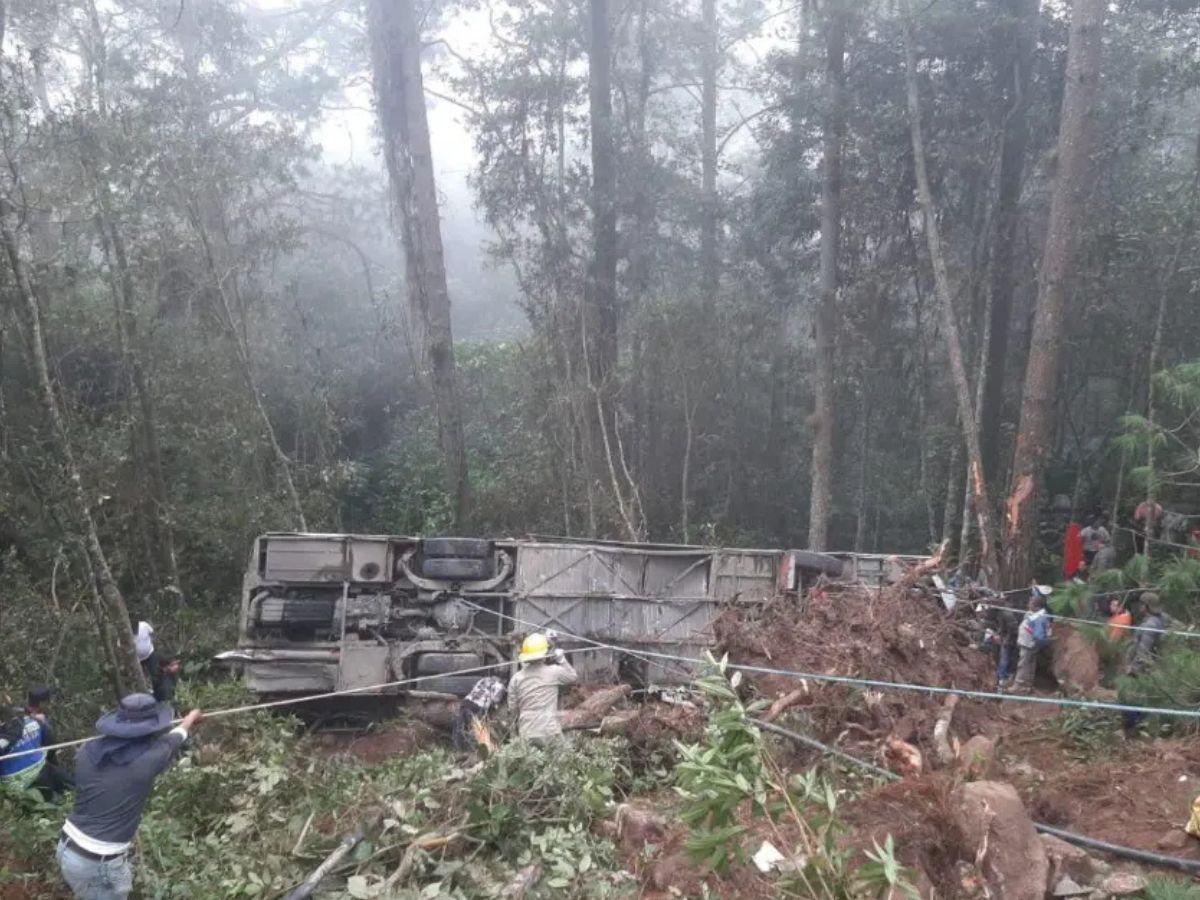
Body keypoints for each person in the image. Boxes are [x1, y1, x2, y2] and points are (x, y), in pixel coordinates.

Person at [58, 694, 201, 899]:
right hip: (98, 861)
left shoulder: (86, 750)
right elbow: (176, 736)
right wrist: (191, 717)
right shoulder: (148, 760)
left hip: (67, 846)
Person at [507, 633, 578, 743]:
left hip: (526, 731)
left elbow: (513, 709)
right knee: (564, 757)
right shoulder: (554, 672)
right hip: (549, 731)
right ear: (545, 654)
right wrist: (562, 659)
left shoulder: (516, 678)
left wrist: (514, 734)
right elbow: (573, 677)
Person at [1122, 593, 1166, 735]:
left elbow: (1143, 652)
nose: (1139, 607)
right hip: (1152, 666)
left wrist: (1132, 669)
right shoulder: (1159, 619)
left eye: (1142, 604)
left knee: (1131, 698)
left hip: (1144, 668)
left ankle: (1133, 729)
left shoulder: (1150, 624)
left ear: (1146, 606)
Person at [1012, 591, 1052, 694]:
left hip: (1029, 645)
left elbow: (1039, 636)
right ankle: (1027, 685)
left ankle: (1019, 686)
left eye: (1031, 602)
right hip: (1028, 643)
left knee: (1024, 664)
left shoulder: (1039, 618)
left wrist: (1034, 643)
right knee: (1030, 664)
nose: (1028, 604)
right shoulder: (1037, 614)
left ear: (1036, 606)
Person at [452, 676, 506, 753]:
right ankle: (478, 749)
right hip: (478, 706)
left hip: (466, 702)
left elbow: (474, 689)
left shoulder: (484, 680)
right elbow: (495, 700)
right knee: (477, 729)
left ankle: (458, 748)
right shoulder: (500, 686)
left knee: (459, 725)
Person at [135, 622, 179, 703]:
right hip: (136, 660)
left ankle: (161, 698)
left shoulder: (144, 625)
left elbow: (152, 634)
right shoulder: (125, 633)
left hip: (150, 654)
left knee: (155, 677)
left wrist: (169, 668)